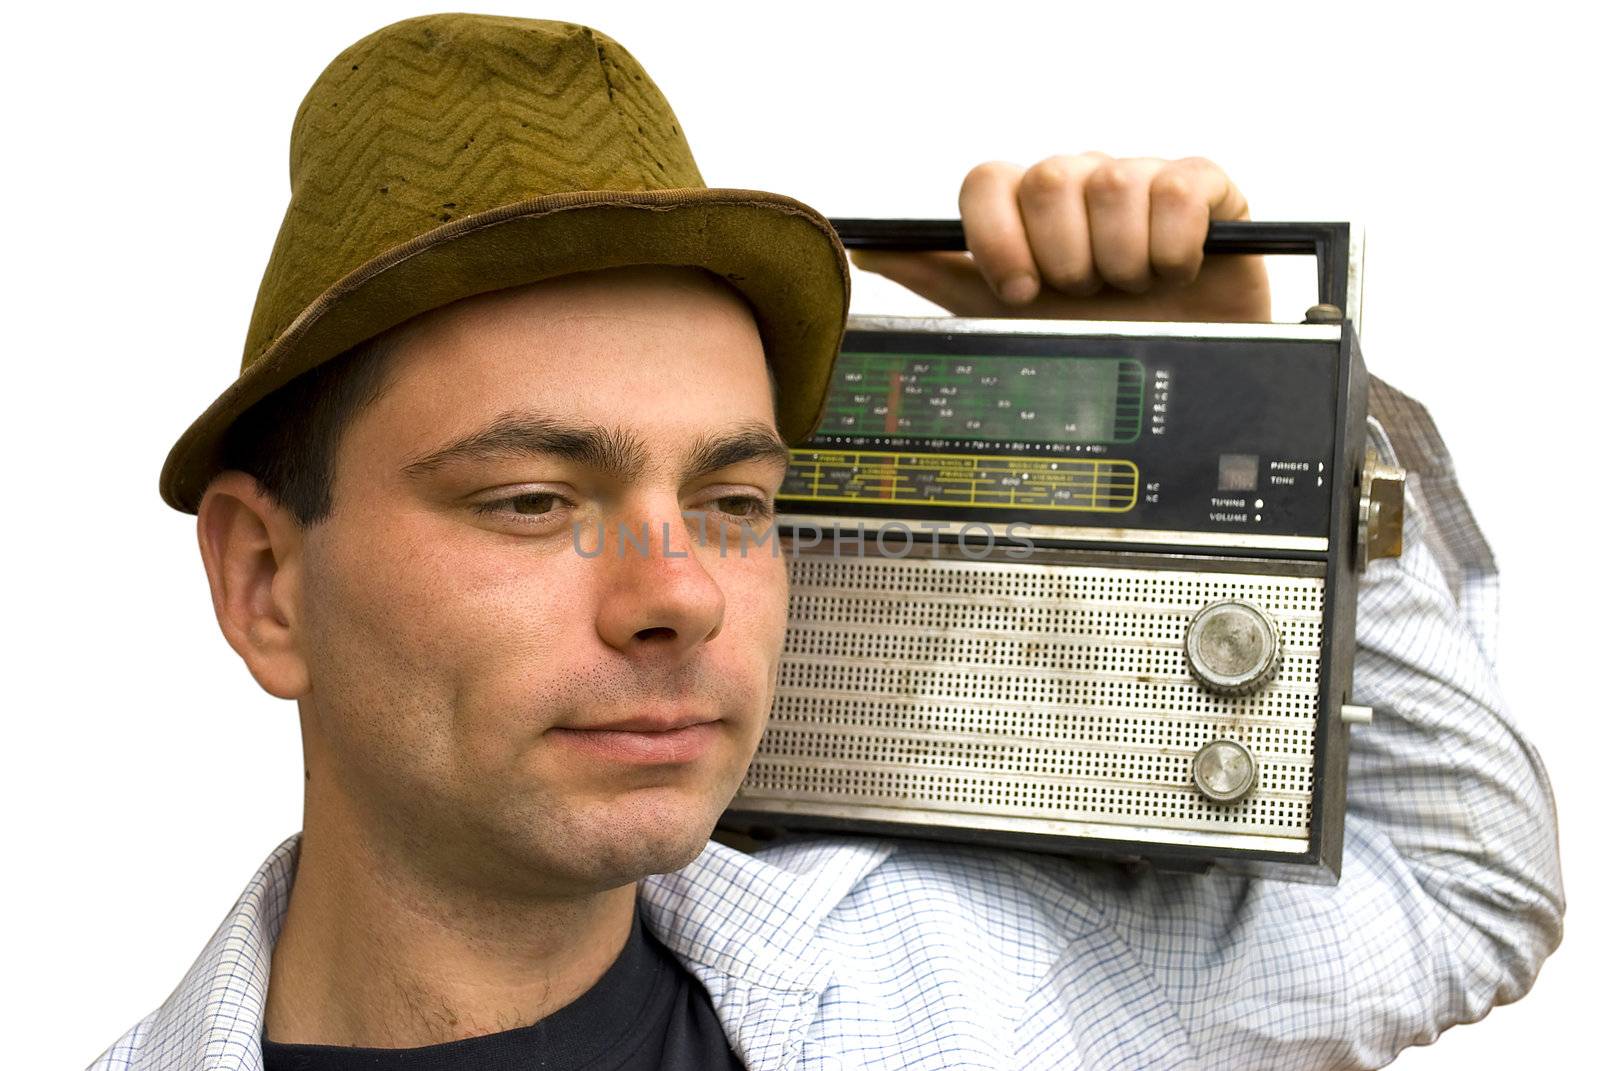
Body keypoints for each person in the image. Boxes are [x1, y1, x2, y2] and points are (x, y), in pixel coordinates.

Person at [89, 12, 1562, 1071]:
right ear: (266, 582)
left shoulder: (971, 986)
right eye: (534, 499)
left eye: (736, 505)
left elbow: (1457, 888)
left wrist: (1244, 425)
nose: (677, 596)